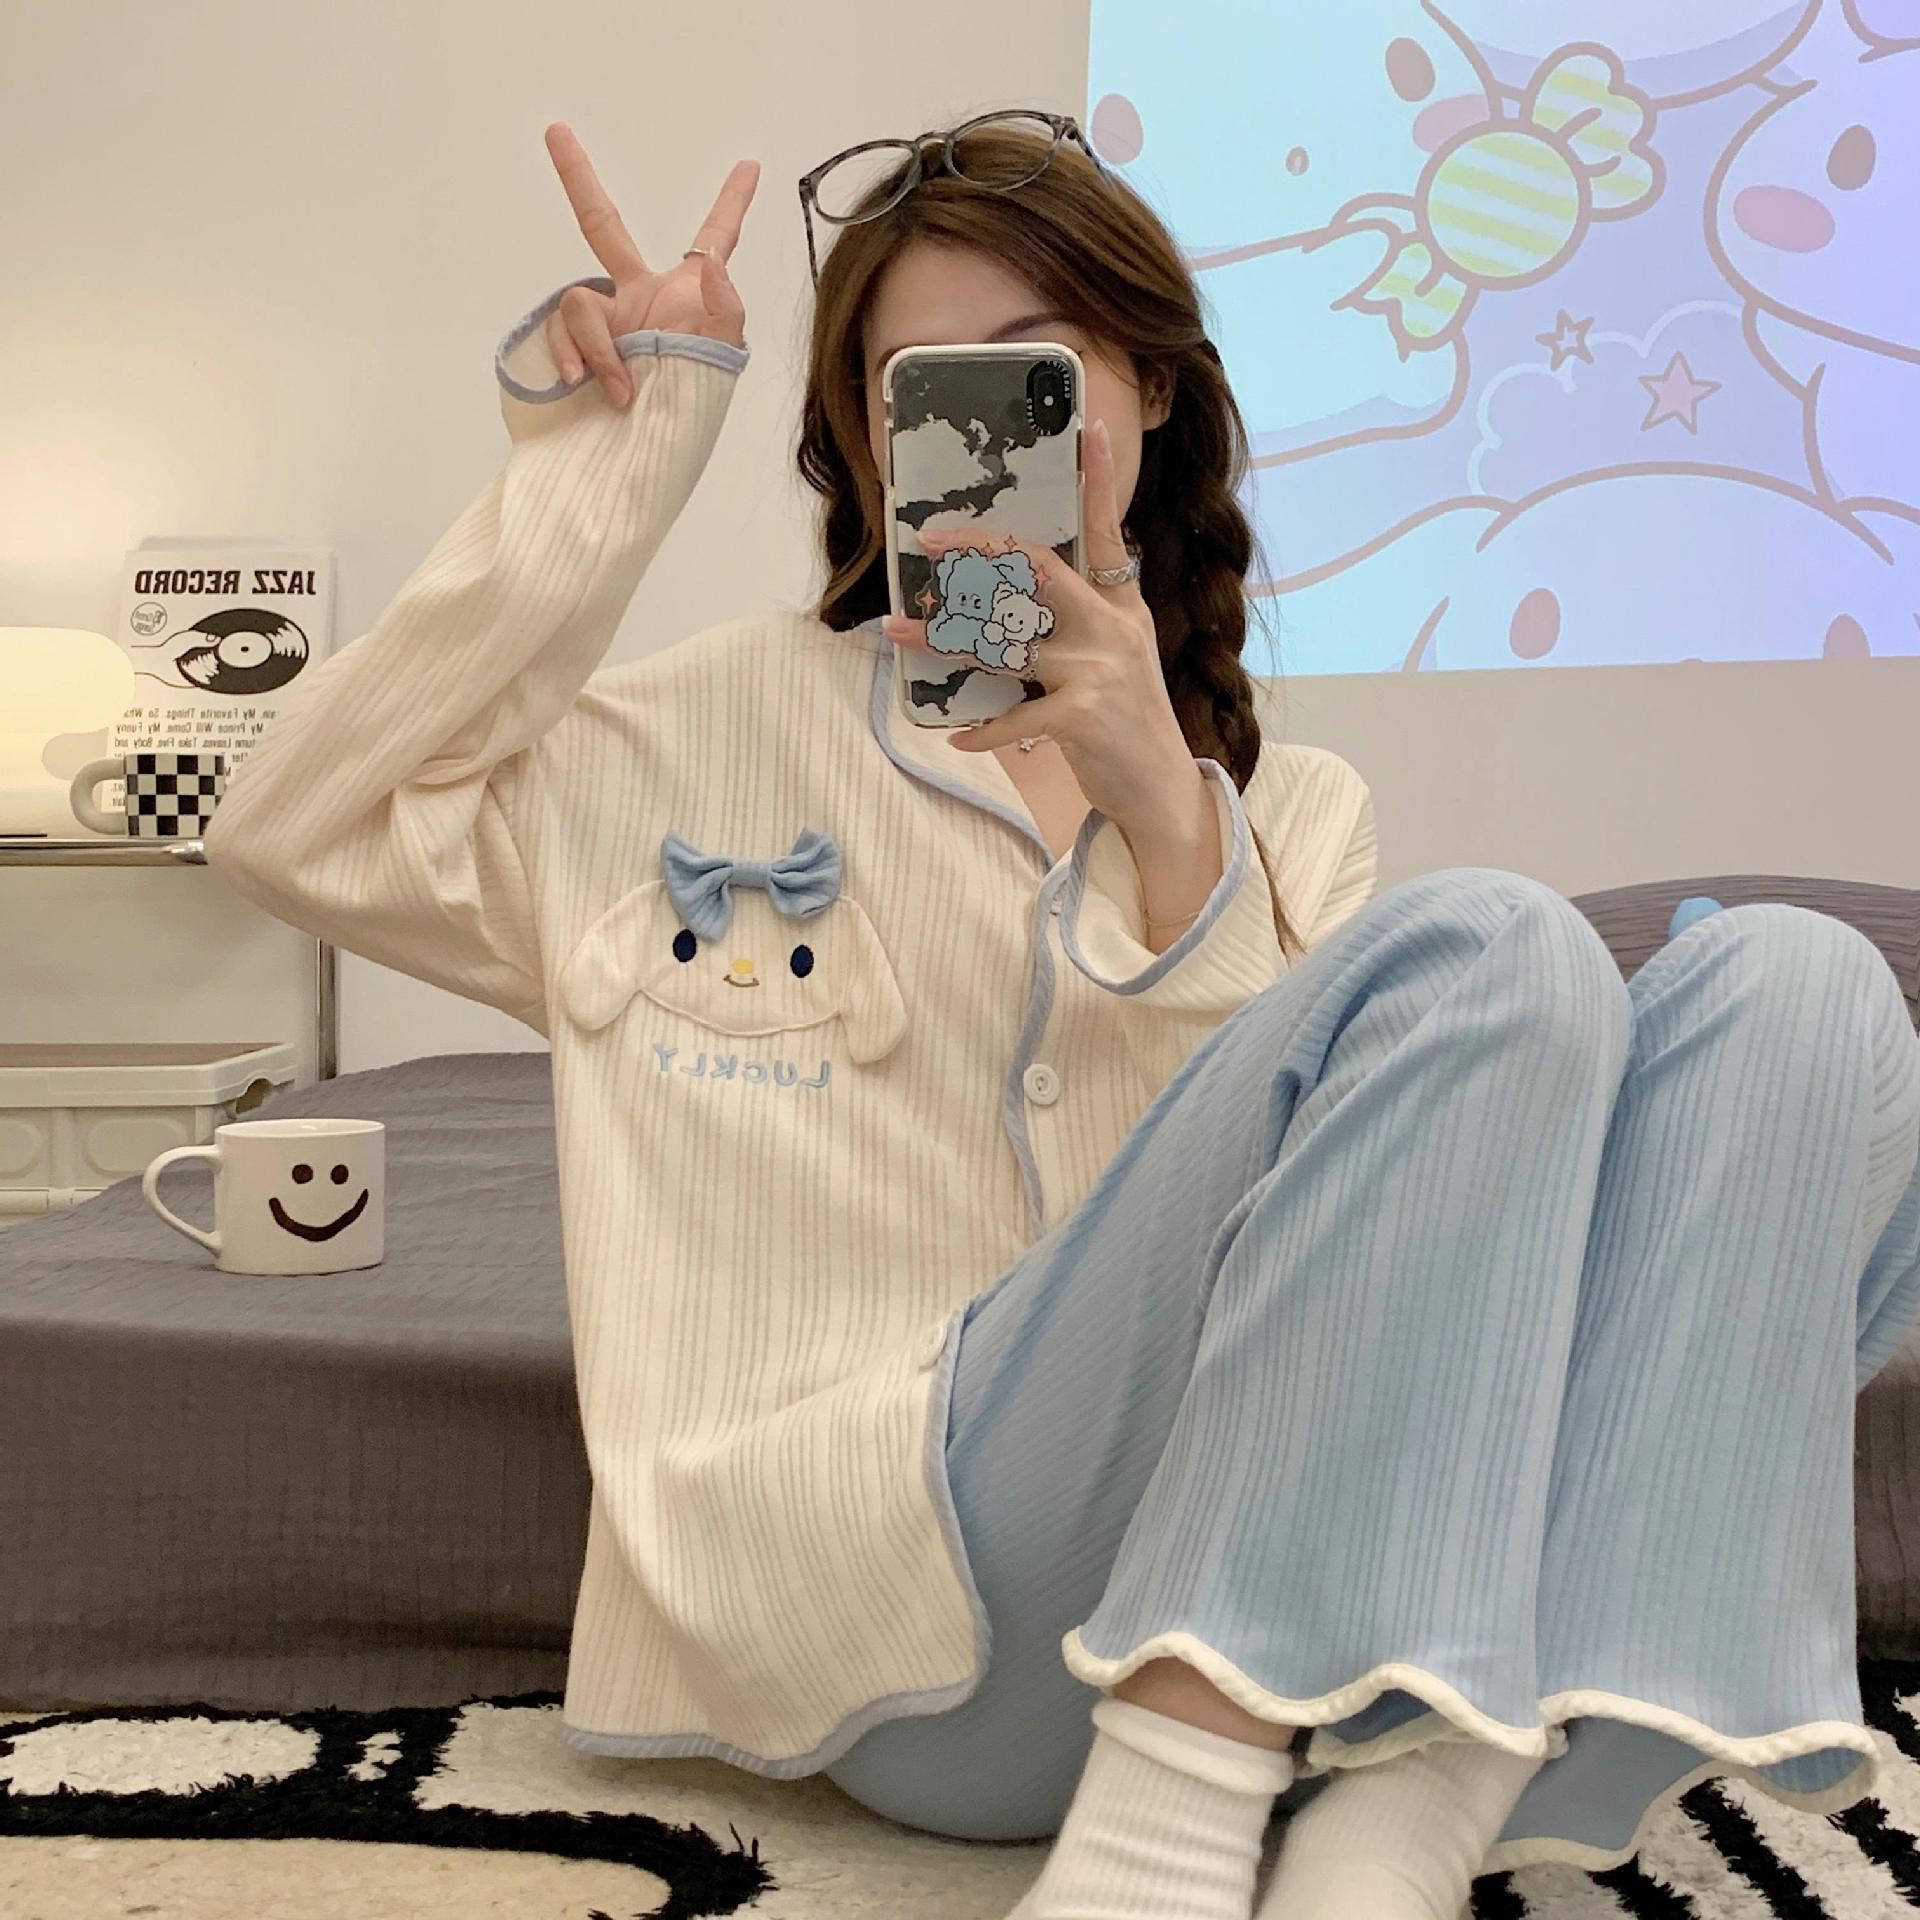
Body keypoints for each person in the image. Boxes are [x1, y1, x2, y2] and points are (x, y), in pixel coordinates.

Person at [199, 112, 1920, 1920]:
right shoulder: (688, 738)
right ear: (865, 444)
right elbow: (291, 826)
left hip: (1307, 1601)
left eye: (1038, 371)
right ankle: (1161, 1846)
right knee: (1495, 944)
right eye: (919, 392)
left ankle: (1433, 1784)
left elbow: (1334, 1292)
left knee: (1806, 988)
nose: (981, 433)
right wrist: (618, 455)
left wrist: (1163, 809)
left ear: (1150, 390)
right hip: (907, 1610)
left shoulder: (1292, 817)